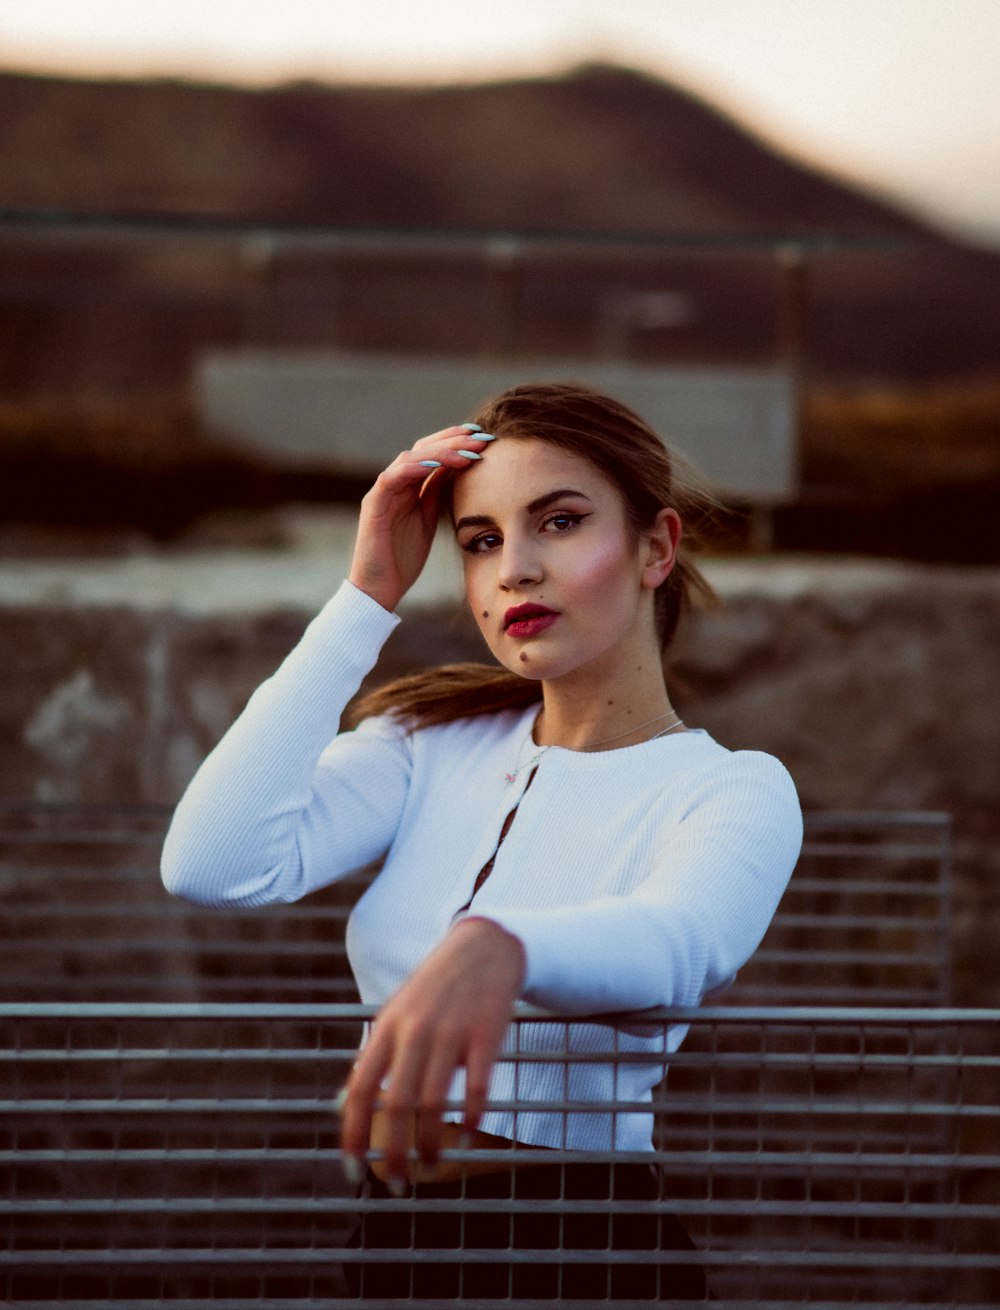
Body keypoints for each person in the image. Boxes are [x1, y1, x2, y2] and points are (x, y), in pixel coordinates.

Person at [162, 381, 802, 1300]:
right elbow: (213, 866)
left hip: (583, 1250)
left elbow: (678, 944)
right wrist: (367, 595)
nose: (516, 571)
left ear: (655, 547)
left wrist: (498, 947)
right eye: (481, 541)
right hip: (393, 1239)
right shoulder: (427, 744)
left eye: (562, 522)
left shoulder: (731, 789)